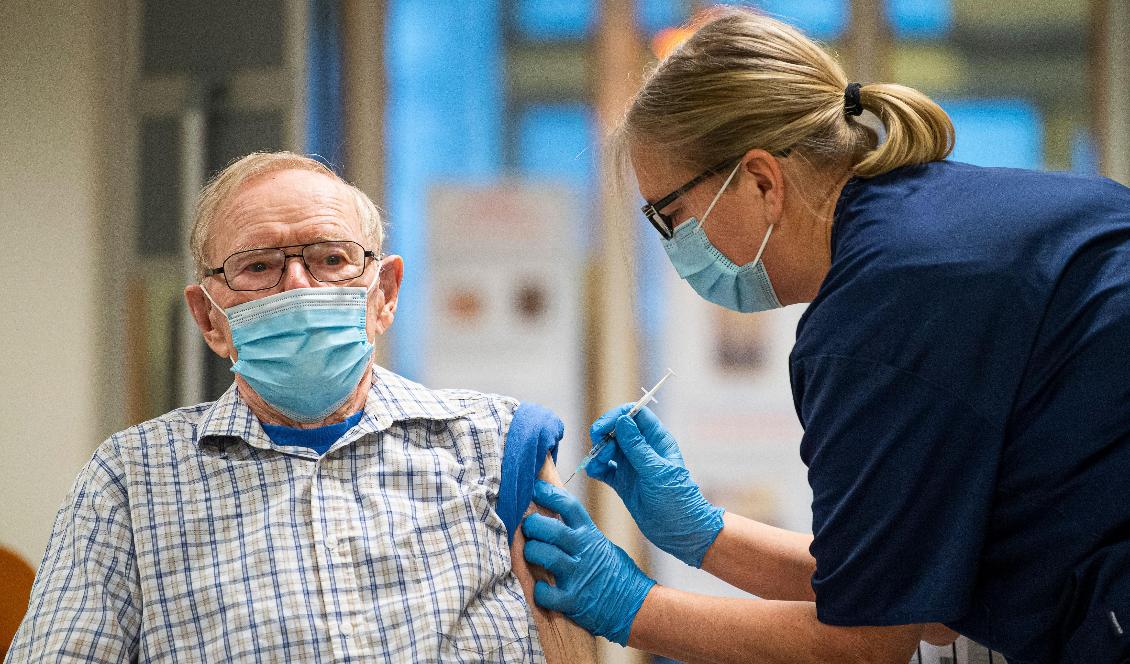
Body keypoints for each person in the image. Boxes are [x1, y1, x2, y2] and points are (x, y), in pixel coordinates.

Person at [522, 7, 1130, 664]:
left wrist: (630, 605)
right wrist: (706, 536)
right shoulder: (922, 229)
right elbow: (915, 599)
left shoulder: (879, 316)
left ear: (760, 180)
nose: (674, 247)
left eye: (672, 218)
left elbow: (867, 645)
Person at [6, 152, 594, 663]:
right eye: (258, 266)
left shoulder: (496, 447)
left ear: (383, 293)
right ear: (210, 317)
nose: (299, 287)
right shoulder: (131, 483)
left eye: (331, 259)